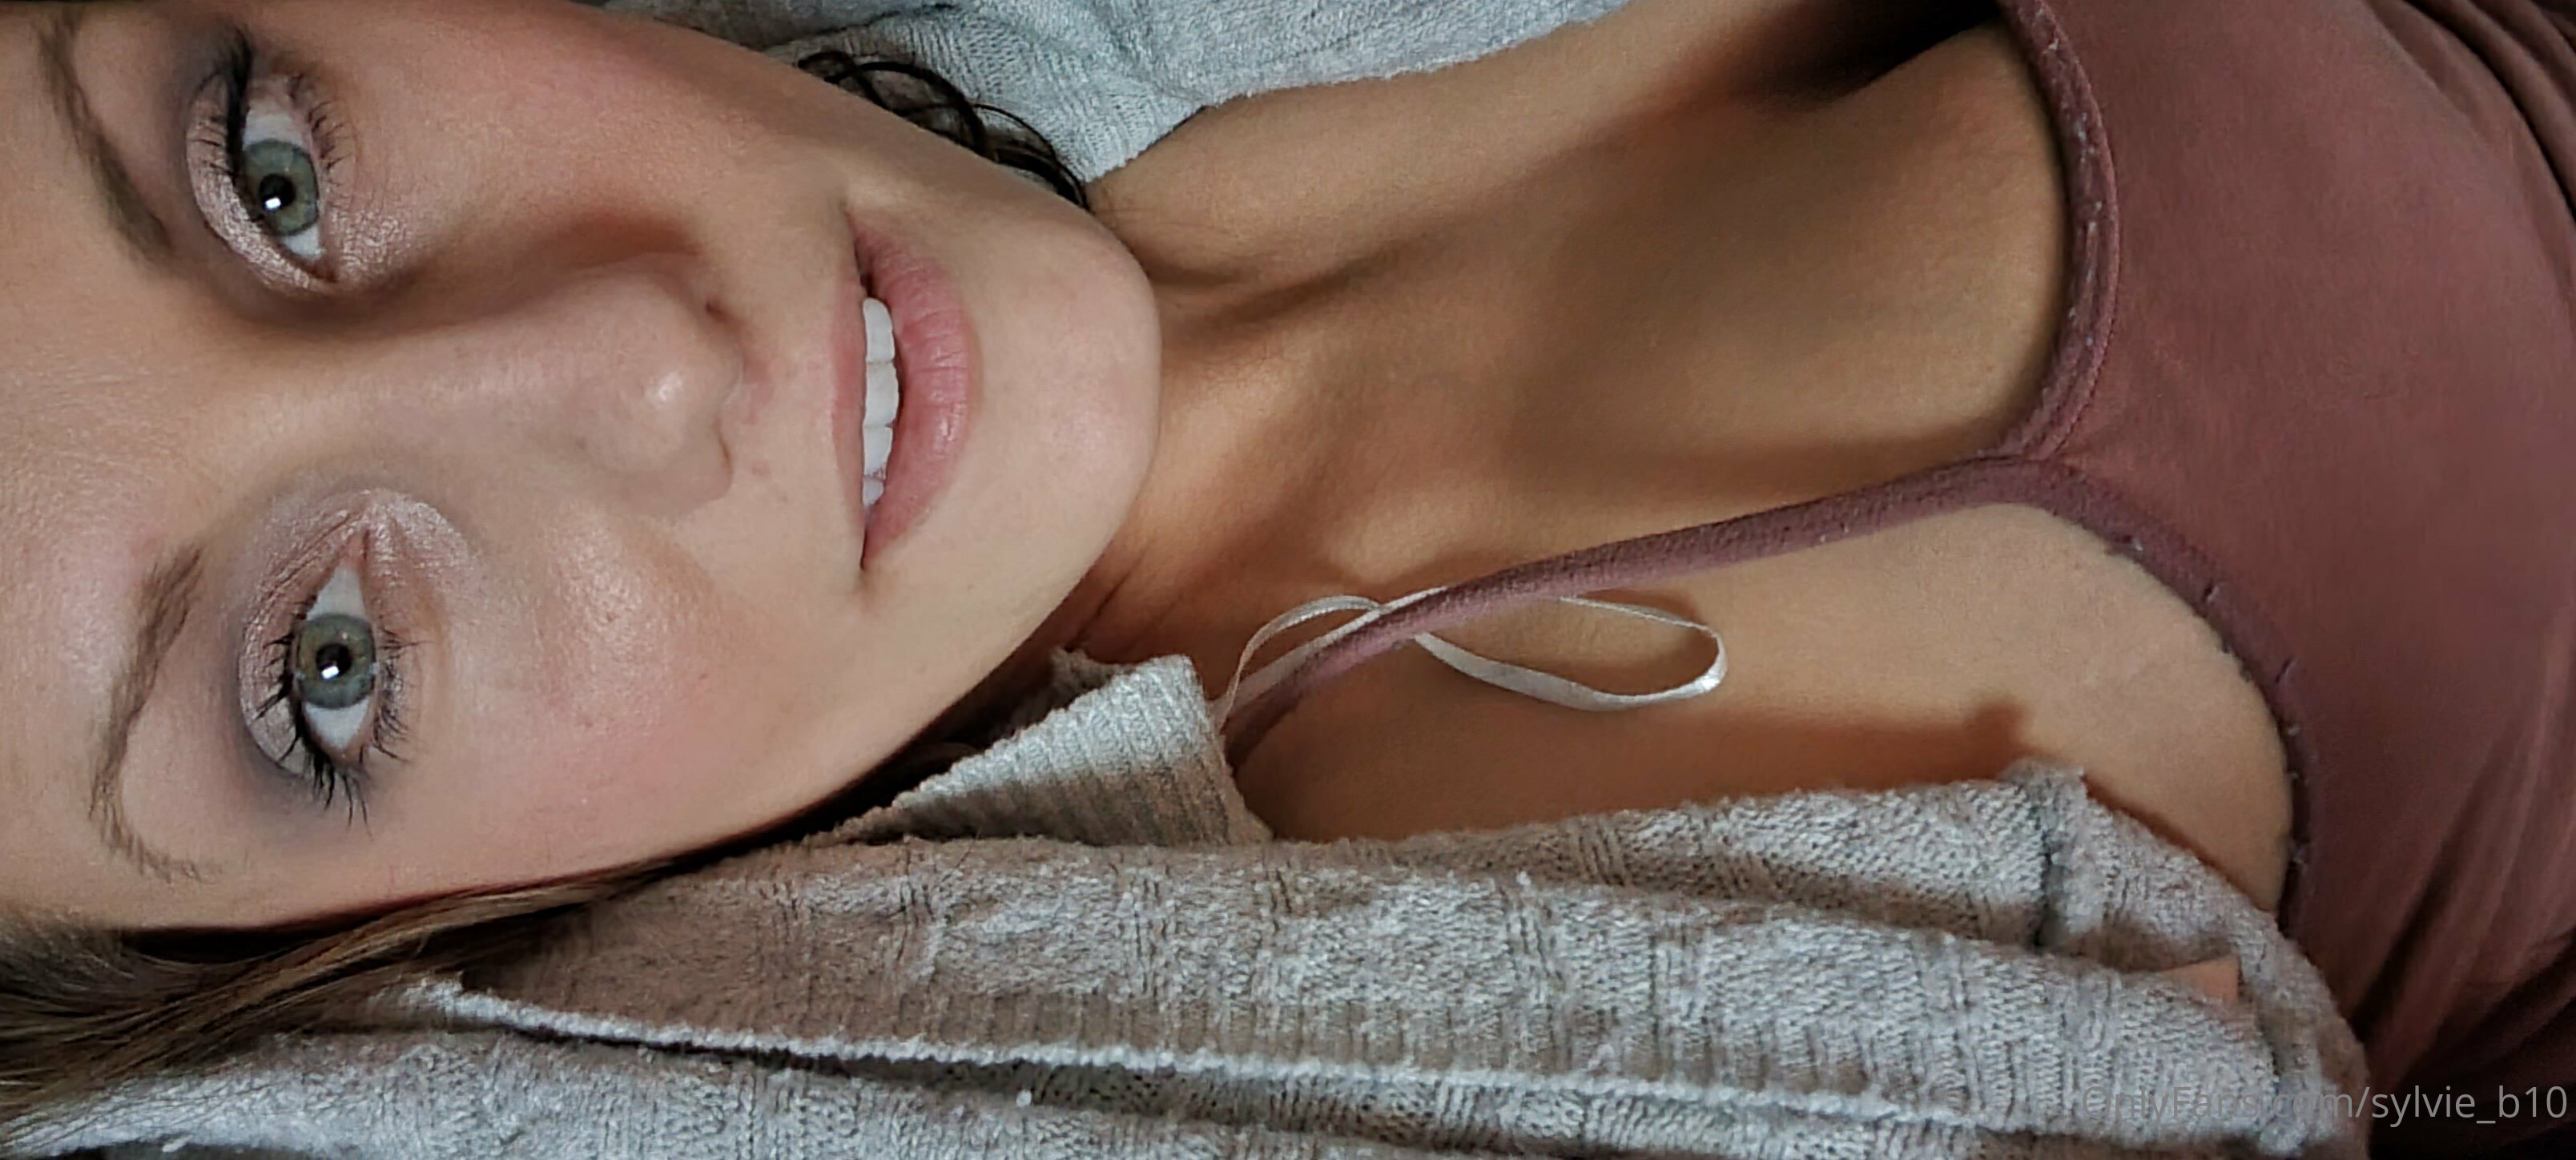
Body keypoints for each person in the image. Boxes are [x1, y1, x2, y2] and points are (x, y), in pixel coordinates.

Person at [0, 0, 2566, 1154]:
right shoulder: (1548, 964)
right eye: (327, 669)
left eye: (269, 170)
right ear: (314, 981)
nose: (646, 355)